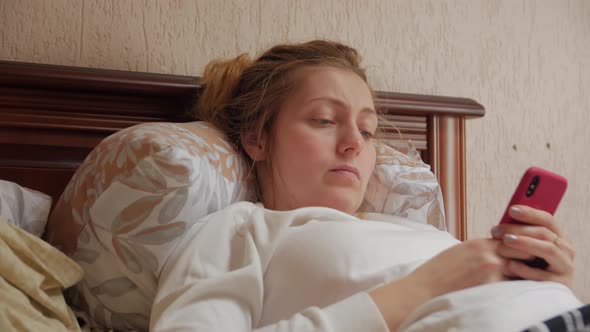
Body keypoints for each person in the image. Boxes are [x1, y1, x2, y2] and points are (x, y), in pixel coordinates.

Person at [150, 40, 581, 331]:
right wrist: (421, 288)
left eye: (369, 130)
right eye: (323, 120)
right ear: (257, 138)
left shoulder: (420, 233)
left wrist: (546, 281)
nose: (355, 143)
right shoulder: (240, 230)